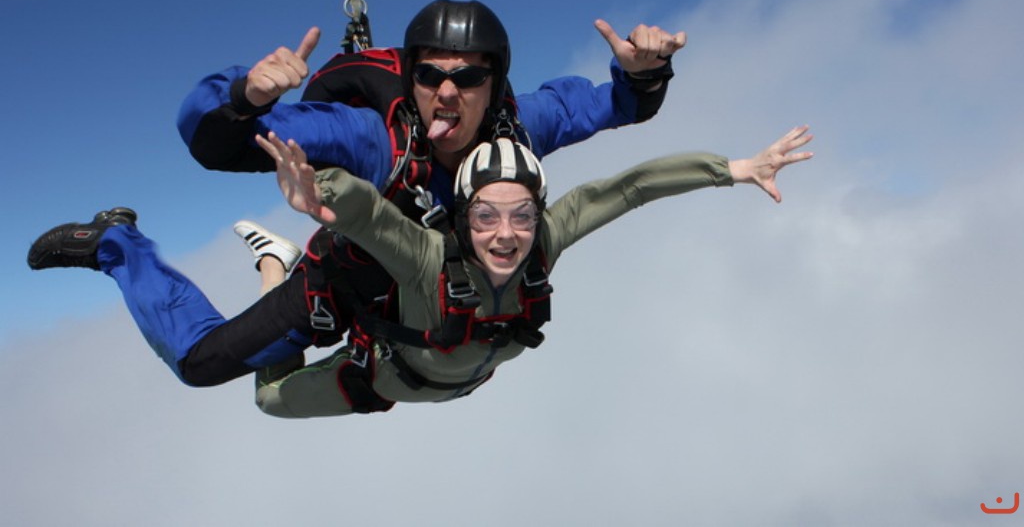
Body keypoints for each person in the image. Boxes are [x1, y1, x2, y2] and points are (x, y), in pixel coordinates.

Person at [174, 0, 687, 367]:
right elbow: (220, 145)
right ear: (410, 80)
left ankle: (273, 264)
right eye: (428, 76)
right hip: (351, 283)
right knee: (203, 363)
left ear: (494, 86)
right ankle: (134, 244)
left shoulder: (519, 129)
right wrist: (242, 97)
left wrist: (643, 73)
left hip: (430, 305)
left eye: (468, 77)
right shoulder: (372, 139)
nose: (446, 93)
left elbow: (611, 106)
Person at [248, 126, 814, 417]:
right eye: (486, 216)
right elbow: (370, 215)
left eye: (522, 215)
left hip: (461, 384)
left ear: (538, 215)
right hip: (381, 381)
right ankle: (275, 264)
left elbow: (630, 188)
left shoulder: (544, 243)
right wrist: (322, 191)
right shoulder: (426, 256)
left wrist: (735, 170)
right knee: (269, 398)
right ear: (462, 217)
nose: (506, 234)